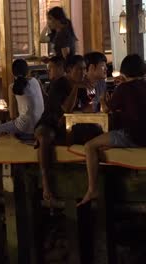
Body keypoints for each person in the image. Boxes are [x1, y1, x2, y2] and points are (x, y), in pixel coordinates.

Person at [78, 54, 146, 206]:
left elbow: (106, 110)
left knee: (89, 146)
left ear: (124, 71)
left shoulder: (124, 88)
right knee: (105, 143)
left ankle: (92, 188)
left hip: (132, 136)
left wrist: (102, 100)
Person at [35, 55, 86, 201]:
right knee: (45, 138)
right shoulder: (59, 84)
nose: (82, 73)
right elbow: (66, 108)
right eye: (79, 69)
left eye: (84, 69)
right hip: (49, 124)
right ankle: (45, 182)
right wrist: (76, 87)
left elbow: (85, 107)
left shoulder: (81, 85)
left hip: (69, 125)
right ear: (69, 70)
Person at [0, 59, 44, 143]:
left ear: (13, 73)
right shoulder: (35, 81)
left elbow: (12, 115)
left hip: (22, 127)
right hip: (38, 126)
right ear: (27, 71)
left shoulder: (12, 87)